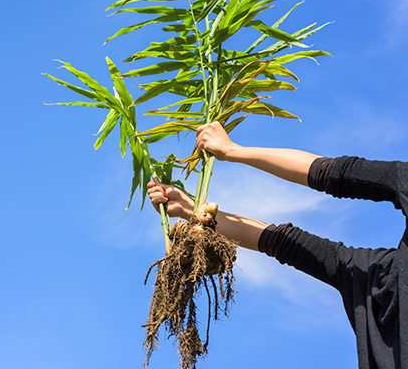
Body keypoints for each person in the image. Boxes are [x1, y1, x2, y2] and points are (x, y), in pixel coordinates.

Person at [147, 122, 408, 369]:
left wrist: (232, 151)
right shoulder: (385, 279)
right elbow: (288, 237)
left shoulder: (384, 279)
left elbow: (333, 174)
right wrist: (193, 207)